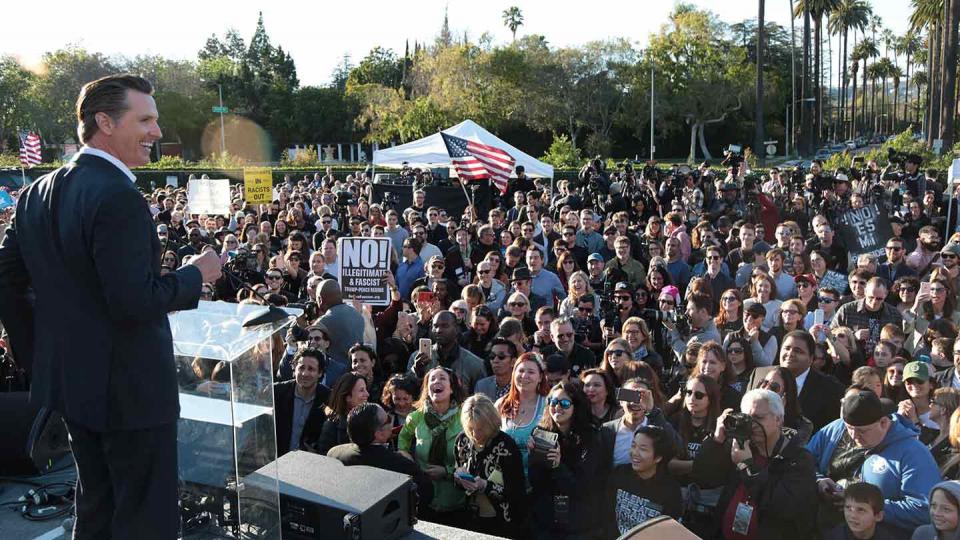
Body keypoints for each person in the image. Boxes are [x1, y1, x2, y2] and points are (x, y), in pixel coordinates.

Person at [0, 74, 223, 540]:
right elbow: (134, 301)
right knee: (145, 518)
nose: (157, 133)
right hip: (132, 394)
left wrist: (40, 355)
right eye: (145, 120)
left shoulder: (36, 193)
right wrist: (194, 276)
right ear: (105, 122)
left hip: (74, 388)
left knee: (96, 507)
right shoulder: (118, 195)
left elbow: (8, 281)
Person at [807, 389, 941, 536]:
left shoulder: (912, 452)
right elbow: (803, 462)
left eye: (862, 431)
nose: (854, 436)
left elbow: (923, 509)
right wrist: (818, 479)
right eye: (849, 429)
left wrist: (869, 508)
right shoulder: (836, 429)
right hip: (825, 528)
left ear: (883, 422)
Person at [692, 389, 818, 540]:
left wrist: (747, 467)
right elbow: (703, 477)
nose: (752, 425)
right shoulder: (741, 445)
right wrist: (717, 440)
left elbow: (784, 507)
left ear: (778, 419)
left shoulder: (799, 459)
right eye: (747, 418)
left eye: (759, 418)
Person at [527, 381, 605, 539]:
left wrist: (558, 466)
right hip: (545, 519)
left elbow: (584, 487)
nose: (557, 407)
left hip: (578, 522)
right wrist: (534, 457)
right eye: (553, 402)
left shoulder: (590, 437)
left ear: (577, 406)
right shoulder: (541, 432)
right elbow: (536, 483)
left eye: (564, 403)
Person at [327, 403, 434, 509]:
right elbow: (426, 493)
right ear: (379, 434)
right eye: (387, 419)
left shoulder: (334, 454)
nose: (391, 420)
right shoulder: (400, 465)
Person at [398, 367, 467, 524]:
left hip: (456, 500)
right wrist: (404, 454)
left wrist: (447, 472)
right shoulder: (415, 417)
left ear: (452, 388)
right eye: (432, 379)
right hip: (423, 499)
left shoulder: (465, 417)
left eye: (442, 378)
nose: (437, 382)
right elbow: (403, 439)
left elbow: (473, 458)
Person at [453, 394, 527, 539]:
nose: (475, 434)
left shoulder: (506, 446)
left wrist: (485, 485)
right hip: (470, 519)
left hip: (502, 522)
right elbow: (457, 473)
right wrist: (458, 478)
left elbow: (517, 492)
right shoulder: (462, 441)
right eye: (470, 428)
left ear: (492, 422)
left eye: (480, 428)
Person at [749, 330, 844, 431]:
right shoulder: (759, 375)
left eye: (798, 351)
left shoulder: (830, 387)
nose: (790, 354)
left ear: (811, 358)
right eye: (787, 348)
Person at [604, 425, 682, 539]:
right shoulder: (620, 474)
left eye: (643, 449)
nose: (635, 453)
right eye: (633, 446)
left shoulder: (670, 489)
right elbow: (606, 516)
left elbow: (669, 532)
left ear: (658, 457)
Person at [496, 352, 550, 476]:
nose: (524, 376)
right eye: (520, 371)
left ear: (540, 377)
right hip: (503, 480)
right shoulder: (501, 404)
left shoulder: (548, 405)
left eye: (531, 372)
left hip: (535, 481)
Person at [408, 311, 488, 393]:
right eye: (435, 326)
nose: (438, 330)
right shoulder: (417, 358)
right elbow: (408, 394)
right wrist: (418, 374)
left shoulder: (475, 364)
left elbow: (481, 400)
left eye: (445, 326)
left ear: (456, 329)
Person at [274, 348, 330, 456]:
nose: (305, 373)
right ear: (294, 369)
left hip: (309, 463)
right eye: (301, 368)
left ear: (320, 373)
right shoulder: (277, 392)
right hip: (277, 461)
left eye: (311, 369)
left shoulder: (329, 398)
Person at [317, 372, 369, 455]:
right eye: (361, 390)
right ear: (347, 397)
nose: (367, 394)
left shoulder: (370, 421)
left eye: (366, 390)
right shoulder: (331, 428)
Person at [823, 482, 898, 540]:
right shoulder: (833, 537)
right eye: (848, 508)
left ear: (878, 516)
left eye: (861, 510)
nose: (852, 515)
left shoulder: (886, 537)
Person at [316, 279, 365, 365]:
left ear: (320, 299)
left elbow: (311, 348)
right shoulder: (357, 314)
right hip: (356, 367)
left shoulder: (323, 322)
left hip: (336, 372)